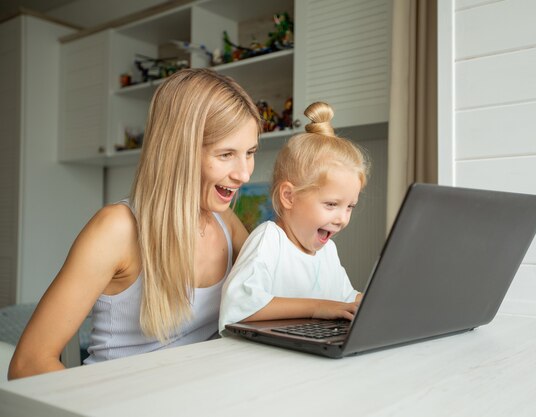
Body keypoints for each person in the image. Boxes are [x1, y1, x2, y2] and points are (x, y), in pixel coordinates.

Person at [9, 68, 261, 379]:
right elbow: (28, 365)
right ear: (177, 151)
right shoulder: (117, 229)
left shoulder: (225, 220)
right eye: (226, 154)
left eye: (249, 153)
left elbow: (270, 292)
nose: (244, 174)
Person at [219, 102, 369, 333]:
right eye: (331, 204)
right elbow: (240, 305)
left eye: (350, 206)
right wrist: (318, 307)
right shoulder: (269, 241)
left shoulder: (327, 251)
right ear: (289, 196)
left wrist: (372, 302)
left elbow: (345, 298)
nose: (342, 219)